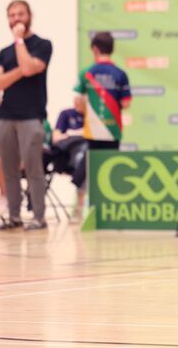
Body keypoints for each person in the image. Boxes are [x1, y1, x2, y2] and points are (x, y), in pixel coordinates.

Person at [0, 0, 52, 230]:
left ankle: (38, 217)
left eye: (20, 14)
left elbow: (29, 67)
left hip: (31, 117)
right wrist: (21, 72)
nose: (16, 19)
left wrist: (19, 41)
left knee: (33, 168)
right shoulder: (3, 53)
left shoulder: (42, 45)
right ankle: (14, 216)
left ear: (30, 16)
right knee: (9, 170)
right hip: (6, 117)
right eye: (12, 15)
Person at [72, 32, 132, 217]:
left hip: (93, 129)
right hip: (113, 129)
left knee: (88, 165)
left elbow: (77, 102)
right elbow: (126, 103)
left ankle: (79, 208)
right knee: (110, 166)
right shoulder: (121, 74)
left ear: (95, 49)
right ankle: (109, 209)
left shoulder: (87, 73)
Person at [50, 95, 87, 218]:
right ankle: (80, 206)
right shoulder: (66, 114)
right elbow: (56, 138)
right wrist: (72, 134)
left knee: (85, 156)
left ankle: (81, 206)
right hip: (67, 155)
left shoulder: (93, 117)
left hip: (86, 155)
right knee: (82, 158)